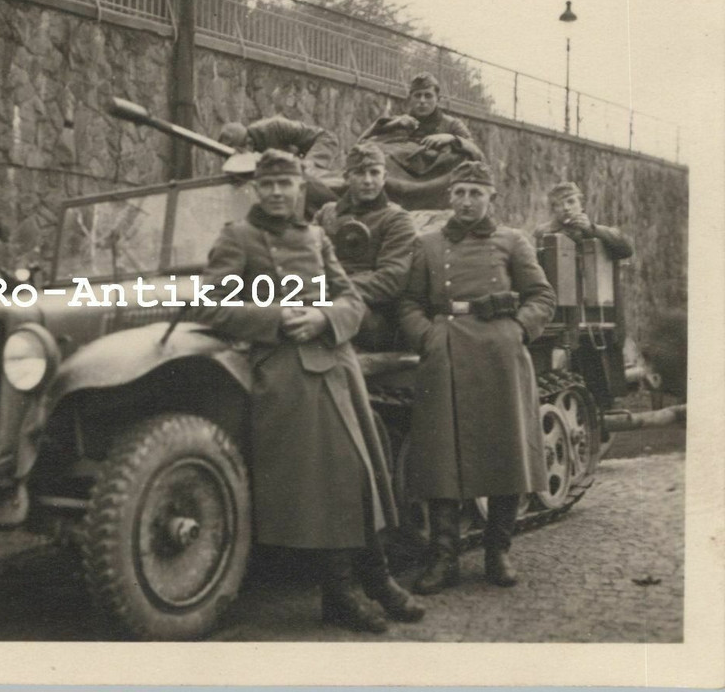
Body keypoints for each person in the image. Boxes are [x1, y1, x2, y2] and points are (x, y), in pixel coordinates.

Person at [197, 148, 424, 633]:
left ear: (302, 188)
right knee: (328, 485)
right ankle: (338, 594)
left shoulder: (317, 236)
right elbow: (209, 305)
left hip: (336, 362)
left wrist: (324, 316)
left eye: (287, 184)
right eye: (268, 185)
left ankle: (376, 578)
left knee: (365, 473)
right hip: (285, 370)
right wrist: (275, 319)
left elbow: (350, 298)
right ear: (256, 190)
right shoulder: (238, 237)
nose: (278, 193)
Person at [398, 161, 557, 594]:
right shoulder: (428, 244)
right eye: (460, 192)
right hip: (445, 350)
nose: (467, 201)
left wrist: (518, 330)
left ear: (491, 198)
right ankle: (444, 556)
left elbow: (542, 295)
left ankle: (498, 551)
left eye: (476, 192)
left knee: (507, 452)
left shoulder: (512, 241)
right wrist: (428, 336)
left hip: (499, 353)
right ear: (449, 197)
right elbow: (410, 302)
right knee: (441, 456)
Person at [314, 142, 415, 350]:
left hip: (372, 314)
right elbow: (303, 256)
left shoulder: (396, 219)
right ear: (346, 177)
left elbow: (391, 279)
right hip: (320, 296)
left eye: (374, 172)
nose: (368, 180)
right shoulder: (327, 213)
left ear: (384, 177)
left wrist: (332, 290)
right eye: (359, 173)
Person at [218, 115, 341, 217]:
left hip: (305, 177)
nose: (244, 154)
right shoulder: (236, 164)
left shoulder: (275, 127)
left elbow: (327, 137)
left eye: (246, 147)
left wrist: (308, 164)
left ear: (249, 141)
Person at [359, 72, 486, 162]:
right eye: (417, 95)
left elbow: (476, 154)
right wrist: (395, 123)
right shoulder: (400, 122)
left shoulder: (452, 124)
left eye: (428, 96)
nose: (422, 101)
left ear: (438, 100)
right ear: (410, 99)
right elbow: (363, 141)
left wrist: (451, 138)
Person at [533, 181, 634, 260]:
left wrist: (591, 230)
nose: (566, 208)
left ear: (581, 204)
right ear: (553, 209)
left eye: (571, 201)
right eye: (559, 204)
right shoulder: (543, 232)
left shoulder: (598, 232)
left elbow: (626, 251)